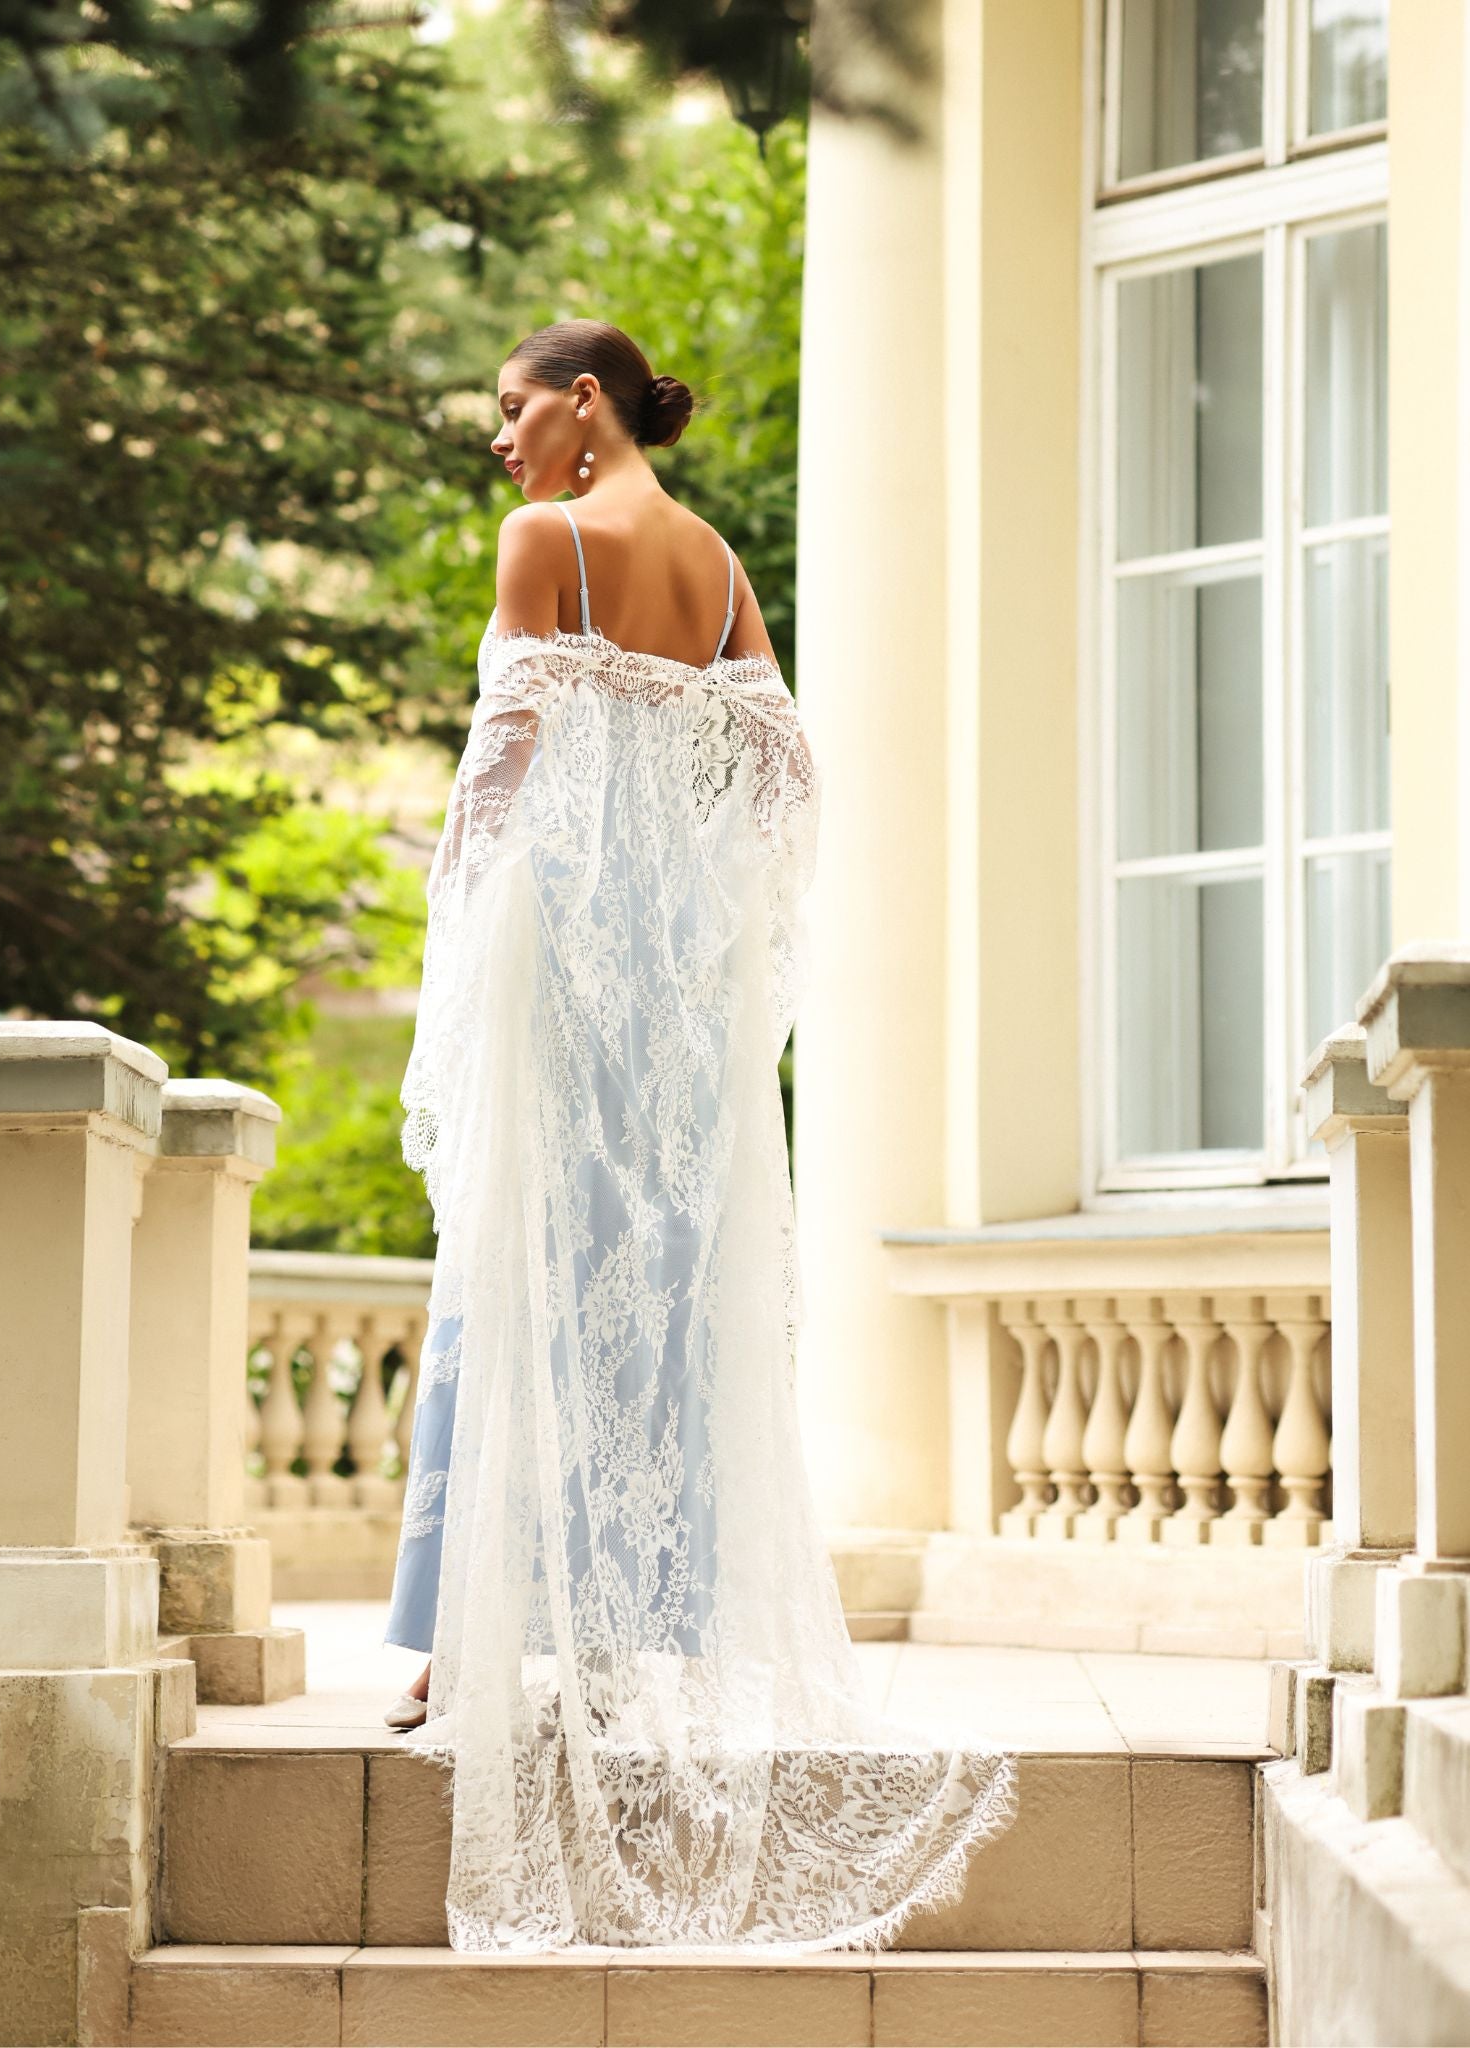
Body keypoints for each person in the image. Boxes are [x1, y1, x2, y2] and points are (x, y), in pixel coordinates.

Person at [379, 318, 1015, 1952]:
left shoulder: (542, 541)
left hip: (562, 950)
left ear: (581, 403)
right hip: (673, 973)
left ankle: (464, 1643)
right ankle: (624, 1637)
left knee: (518, 1264)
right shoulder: (719, 565)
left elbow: (502, 760)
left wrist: (463, 928)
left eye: (513, 408)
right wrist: (713, 903)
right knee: (654, 1288)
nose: (501, 440)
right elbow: (789, 771)